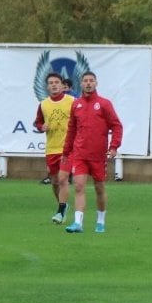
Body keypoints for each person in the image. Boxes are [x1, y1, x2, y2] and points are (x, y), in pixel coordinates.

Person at [62, 71, 123, 233]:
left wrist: (114, 146)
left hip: (98, 155)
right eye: (85, 81)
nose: (88, 83)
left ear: (96, 83)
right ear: (81, 84)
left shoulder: (104, 104)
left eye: (91, 81)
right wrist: (66, 151)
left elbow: (117, 125)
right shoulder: (76, 104)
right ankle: (78, 223)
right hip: (80, 154)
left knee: (99, 188)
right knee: (79, 186)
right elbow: (71, 129)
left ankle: (101, 221)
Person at [33, 72, 75, 223]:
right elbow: (37, 122)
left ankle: (61, 211)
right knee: (55, 182)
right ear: (47, 86)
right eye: (51, 83)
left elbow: (80, 119)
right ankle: (62, 206)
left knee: (63, 179)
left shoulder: (72, 101)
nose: (54, 85)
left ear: (63, 85)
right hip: (52, 148)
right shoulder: (44, 104)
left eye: (57, 82)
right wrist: (41, 126)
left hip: (68, 149)